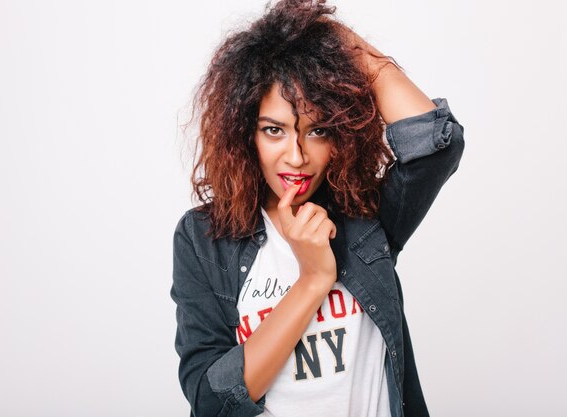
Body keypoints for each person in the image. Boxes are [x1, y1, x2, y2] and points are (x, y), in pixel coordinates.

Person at [170, 0, 465, 416]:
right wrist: (313, 279)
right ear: (244, 135)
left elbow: (436, 144)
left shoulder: (363, 216)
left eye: (318, 130)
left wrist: (325, 35)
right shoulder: (205, 239)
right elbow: (212, 401)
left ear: (341, 135)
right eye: (274, 130)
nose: (296, 155)